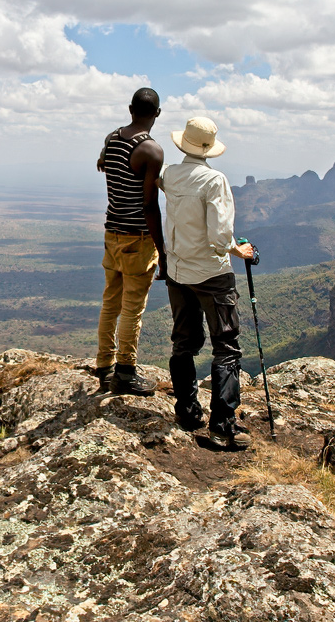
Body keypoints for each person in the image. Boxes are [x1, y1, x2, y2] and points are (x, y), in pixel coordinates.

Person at [159, 116, 256, 449]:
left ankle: (186, 411)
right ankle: (222, 425)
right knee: (226, 347)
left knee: (183, 342)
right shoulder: (215, 181)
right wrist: (238, 250)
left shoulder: (169, 175)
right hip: (212, 276)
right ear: (209, 148)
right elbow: (219, 238)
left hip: (177, 272)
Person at [94, 88, 167, 395]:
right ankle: (125, 372)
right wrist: (162, 249)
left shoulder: (112, 139)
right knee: (132, 307)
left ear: (130, 109)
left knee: (111, 301)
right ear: (158, 114)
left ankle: (104, 365)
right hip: (137, 237)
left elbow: (102, 163)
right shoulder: (151, 151)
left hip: (112, 232)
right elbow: (149, 204)